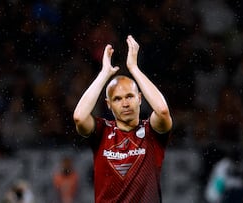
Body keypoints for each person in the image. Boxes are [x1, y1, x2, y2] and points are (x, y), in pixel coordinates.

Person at [73, 35, 173, 202]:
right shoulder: (102, 132)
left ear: (140, 98)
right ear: (109, 104)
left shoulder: (151, 133)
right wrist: (104, 74)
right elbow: (79, 117)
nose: (125, 103)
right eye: (117, 99)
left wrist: (134, 68)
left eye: (129, 96)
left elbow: (162, 111)